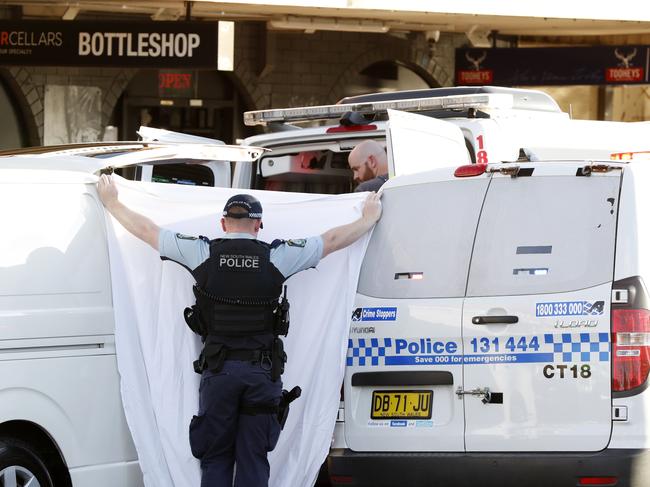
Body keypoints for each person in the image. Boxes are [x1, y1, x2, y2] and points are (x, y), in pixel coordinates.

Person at [96, 175, 382, 487]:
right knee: (253, 457)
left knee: (216, 456)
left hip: (218, 374)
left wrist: (112, 202)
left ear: (223, 223)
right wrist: (368, 219)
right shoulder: (277, 257)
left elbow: (147, 231)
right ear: (258, 224)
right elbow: (332, 241)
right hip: (261, 375)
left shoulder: (201, 252)